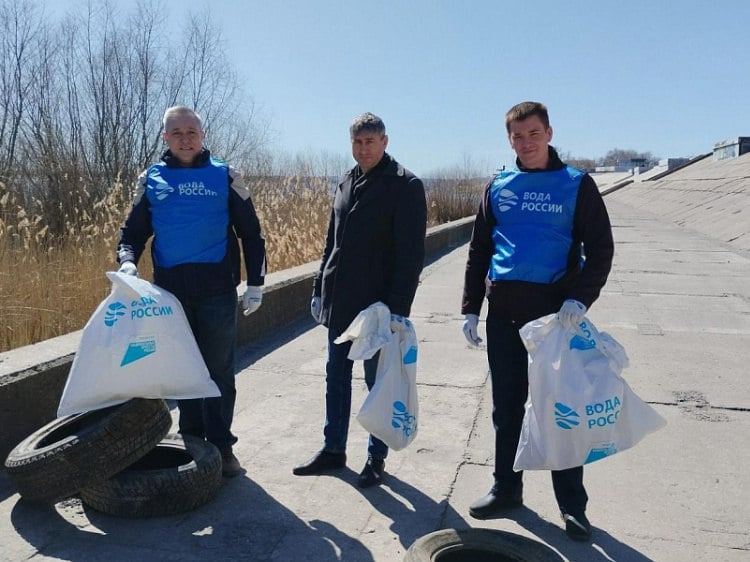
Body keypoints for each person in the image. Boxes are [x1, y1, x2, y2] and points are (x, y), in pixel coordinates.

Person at [461, 101, 614, 541]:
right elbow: (479, 251)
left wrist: (580, 300)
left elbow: (600, 250)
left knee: (558, 409)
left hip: (553, 319)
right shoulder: (499, 186)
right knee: (506, 409)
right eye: (516, 136)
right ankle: (507, 488)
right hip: (503, 316)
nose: (525, 143)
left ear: (548, 133)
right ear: (508, 139)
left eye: (533, 134)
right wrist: (471, 306)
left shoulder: (576, 185)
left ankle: (573, 507)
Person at [116, 105, 266, 478]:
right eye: (177, 132)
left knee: (218, 372)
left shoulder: (226, 175)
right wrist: (127, 262)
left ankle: (221, 447)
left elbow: (252, 231)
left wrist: (257, 283)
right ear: (165, 137)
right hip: (170, 297)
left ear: (202, 136)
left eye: (192, 132)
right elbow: (131, 234)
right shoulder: (151, 179)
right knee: (184, 371)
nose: (185, 138)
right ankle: (192, 440)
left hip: (217, 290)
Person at [293, 112, 427, 488]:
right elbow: (330, 243)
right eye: (357, 142)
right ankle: (333, 449)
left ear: (385, 141)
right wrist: (319, 287)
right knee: (335, 379)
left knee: (377, 386)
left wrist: (397, 309)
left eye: (370, 141)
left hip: (376, 309)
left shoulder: (405, 185)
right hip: (340, 304)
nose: (363, 149)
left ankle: (376, 457)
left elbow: (410, 255)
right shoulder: (346, 181)